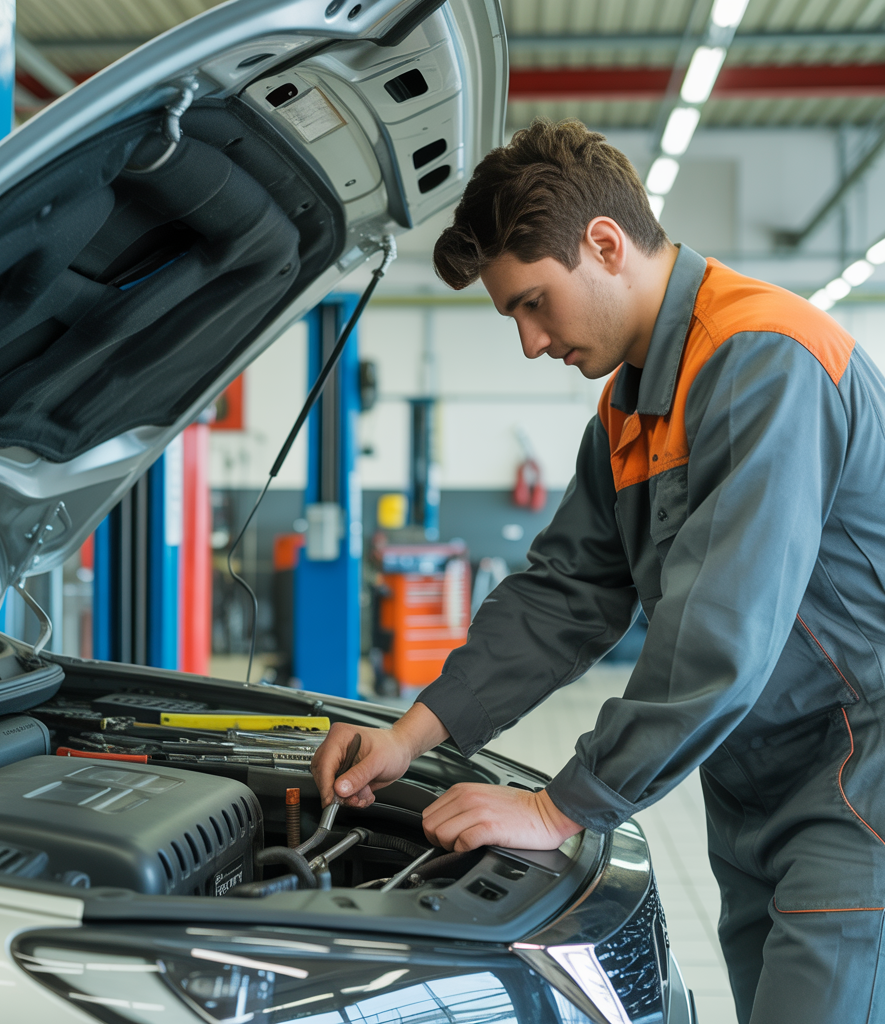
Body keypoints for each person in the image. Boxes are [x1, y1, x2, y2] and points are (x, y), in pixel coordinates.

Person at [310, 118, 885, 1023]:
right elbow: (560, 598)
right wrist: (408, 737)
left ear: (605, 245)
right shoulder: (627, 410)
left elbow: (720, 629)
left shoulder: (765, 357)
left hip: (858, 781)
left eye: (533, 303)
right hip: (753, 789)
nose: (531, 343)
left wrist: (563, 808)